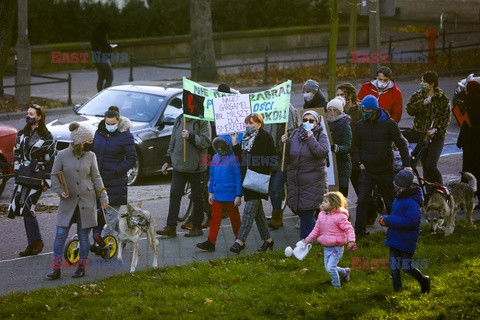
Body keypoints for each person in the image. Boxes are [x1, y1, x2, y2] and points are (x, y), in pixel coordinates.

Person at [48, 122, 109, 279]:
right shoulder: (62, 155)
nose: (91, 144)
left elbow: (96, 177)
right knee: (60, 234)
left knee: (83, 237)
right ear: (79, 142)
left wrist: (103, 197)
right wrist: (60, 191)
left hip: (87, 201)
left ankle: (81, 268)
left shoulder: (91, 156)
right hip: (68, 201)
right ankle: (56, 269)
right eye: (88, 141)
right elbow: (54, 176)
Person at [354, 95, 411, 237]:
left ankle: (396, 230)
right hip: (367, 170)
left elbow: (402, 144)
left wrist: (407, 165)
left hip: (385, 170)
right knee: (362, 200)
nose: (364, 112)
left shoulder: (389, 124)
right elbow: (356, 146)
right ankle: (359, 232)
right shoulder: (360, 125)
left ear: (375, 110)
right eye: (363, 110)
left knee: (390, 201)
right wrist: (359, 162)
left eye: (367, 110)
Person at [7, 104, 55, 257]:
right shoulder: (22, 134)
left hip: (37, 176)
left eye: (32, 114)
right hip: (23, 176)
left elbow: (50, 159)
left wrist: (47, 180)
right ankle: (32, 243)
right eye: (27, 113)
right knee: (22, 209)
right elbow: (17, 154)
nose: (28, 116)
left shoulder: (47, 137)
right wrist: (17, 172)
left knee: (29, 207)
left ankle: (37, 241)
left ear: (39, 117)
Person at [91, 106, 137, 253]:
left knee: (110, 214)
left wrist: (117, 171)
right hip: (99, 180)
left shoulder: (125, 136)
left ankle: (103, 243)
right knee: (102, 213)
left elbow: (131, 159)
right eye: (108, 124)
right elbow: (94, 152)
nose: (110, 126)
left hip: (116, 181)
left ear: (118, 121)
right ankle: (124, 234)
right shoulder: (99, 133)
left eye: (113, 124)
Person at [157, 114, 212, 237]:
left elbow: (206, 141)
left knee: (197, 197)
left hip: (196, 168)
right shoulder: (179, 119)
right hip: (179, 167)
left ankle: (197, 227)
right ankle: (171, 227)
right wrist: (167, 160)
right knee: (175, 195)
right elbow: (173, 141)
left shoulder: (203, 121)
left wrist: (190, 137)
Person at [229, 113, 276, 254]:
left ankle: (240, 241)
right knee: (258, 214)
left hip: (258, 179)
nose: (248, 126)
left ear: (259, 124)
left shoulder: (265, 137)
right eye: (247, 123)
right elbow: (241, 160)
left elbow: (273, 158)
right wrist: (235, 144)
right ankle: (268, 241)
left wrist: (260, 166)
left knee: (249, 211)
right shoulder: (245, 138)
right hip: (247, 179)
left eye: (251, 123)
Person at [379, 170, 430, 293]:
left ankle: (424, 280)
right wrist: (387, 221)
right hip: (394, 238)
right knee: (394, 267)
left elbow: (410, 222)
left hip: (406, 241)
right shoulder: (398, 198)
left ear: (404, 187)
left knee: (407, 268)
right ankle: (398, 290)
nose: (395, 188)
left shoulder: (412, 202)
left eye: (397, 186)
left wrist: (388, 220)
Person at [281, 110, 329, 239]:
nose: (307, 123)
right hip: (296, 182)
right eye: (305, 120)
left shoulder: (321, 135)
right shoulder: (296, 133)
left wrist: (310, 137)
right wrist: (285, 143)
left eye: (311, 120)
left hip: (312, 182)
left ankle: (305, 242)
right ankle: (317, 233)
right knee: (300, 210)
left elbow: (321, 152)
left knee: (307, 211)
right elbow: (287, 156)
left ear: (317, 122)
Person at [196, 137, 242, 252]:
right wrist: (211, 192)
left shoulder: (233, 158)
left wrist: (238, 195)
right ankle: (211, 242)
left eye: (223, 146)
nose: (220, 149)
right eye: (218, 147)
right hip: (218, 194)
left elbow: (238, 177)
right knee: (215, 218)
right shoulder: (216, 158)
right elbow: (212, 176)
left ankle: (239, 239)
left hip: (231, 195)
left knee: (235, 219)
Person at [303, 191, 356, 288]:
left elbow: (348, 229)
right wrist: (308, 240)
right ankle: (345, 272)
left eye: (326, 201)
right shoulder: (322, 215)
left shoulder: (340, 217)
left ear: (334, 204)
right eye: (323, 201)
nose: (323, 203)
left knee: (331, 268)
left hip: (336, 247)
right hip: (326, 247)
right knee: (328, 268)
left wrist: (351, 241)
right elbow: (316, 229)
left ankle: (336, 286)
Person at [406, 71, 450, 185]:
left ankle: (440, 190)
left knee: (431, 164)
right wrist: (424, 102)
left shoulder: (442, 98)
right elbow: (410, 110)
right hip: (421, 135)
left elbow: (445, 117)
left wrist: (436, 129)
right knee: (425, 164)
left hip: (436, 136)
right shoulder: (418, 95)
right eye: (421, 81)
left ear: (432, 84)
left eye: (424, 82)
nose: (422, 84)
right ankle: (429, 191)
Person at [265, 104, 299, 229]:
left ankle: (277, 218)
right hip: (271, 157)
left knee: (275, 187)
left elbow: (293, 134)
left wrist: (285, 140)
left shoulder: (288, 111)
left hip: (284, 158)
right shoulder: (267, 111)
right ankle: (278, 210)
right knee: (273, 189)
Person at [454, 80, 480, 208]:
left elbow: (467, 124)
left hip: (472, 143)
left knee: (470, 170)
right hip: (472, 142)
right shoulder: (472, 103)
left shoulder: (473, 106)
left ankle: (466, 198)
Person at [326, 97, 352, 197]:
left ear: (339, 112)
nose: (331, 112)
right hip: (330, 164)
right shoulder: (326, 124)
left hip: (342, 164)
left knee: (340, 194)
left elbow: (347, 146)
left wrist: (338, 148)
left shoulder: (345, 125)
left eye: (335, 110)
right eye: (329, 110)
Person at [91, 21, 113, 92]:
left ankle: (99, 94)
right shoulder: (103, 36)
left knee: (100, 78)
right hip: (103, 59)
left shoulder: (94, 36)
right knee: (109, 78)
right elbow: (106, 48)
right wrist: (111, 47)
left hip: (96, 58)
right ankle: (105, 93)